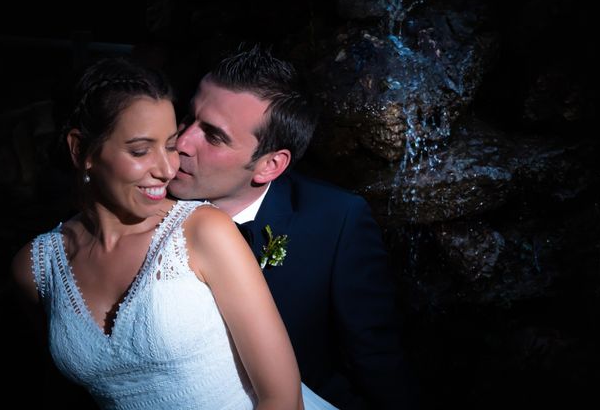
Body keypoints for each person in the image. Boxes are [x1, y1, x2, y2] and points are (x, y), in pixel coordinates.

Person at [10, 55, 333, 409]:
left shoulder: (203, 231)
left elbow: (282, 399)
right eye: (140, 150)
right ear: (80, 150)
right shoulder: (34, 268)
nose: (168, 168)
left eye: (168, 144)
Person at [168, 45, 418, 409]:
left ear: (269, 165)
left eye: (214, 135)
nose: (182, 142)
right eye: (187, 118)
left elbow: (375, 360)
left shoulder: (335, 222)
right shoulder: (141, 203)